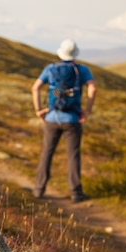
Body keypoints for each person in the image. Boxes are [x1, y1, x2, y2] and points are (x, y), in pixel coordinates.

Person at [31, 38, 97, 202]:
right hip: (72, 119)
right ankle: (76, 193)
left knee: (47, 152)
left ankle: (39, 190)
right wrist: (87, 110)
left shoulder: (50, 68)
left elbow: (35, 88)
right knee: (73, 155)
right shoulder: (82, 70)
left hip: (52, 118)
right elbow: (92, 88)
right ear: (75, 54)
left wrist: (39, 110)